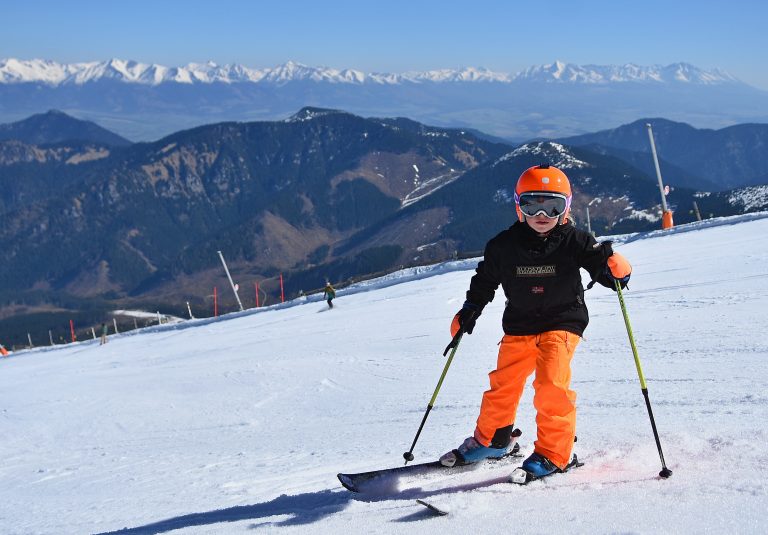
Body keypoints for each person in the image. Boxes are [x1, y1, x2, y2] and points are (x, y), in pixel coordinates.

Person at [439, 164, 631, 480]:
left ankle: (555, 453)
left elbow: (612, 276)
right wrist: (470, 310)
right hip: (519, 324)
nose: (542, 214)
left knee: (551, 385)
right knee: (503, 384)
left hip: (563, 322)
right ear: (519, 207)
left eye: (552, 205)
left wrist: (615, 268)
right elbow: (485, 281)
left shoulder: (577, 241)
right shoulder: (503, 245)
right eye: (532, 204)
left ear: (565, 208)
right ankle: (494, 440)